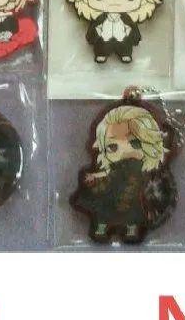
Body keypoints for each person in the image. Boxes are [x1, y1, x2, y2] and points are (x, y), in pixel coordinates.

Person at [70, 102, 174, 243]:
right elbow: (106, 172)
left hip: (135, 195)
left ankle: (132, 230)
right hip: (112, 191)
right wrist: (95, 176)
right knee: (104, 211)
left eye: (136, 143)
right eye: (113, 147)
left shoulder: (145, 170)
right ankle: (101, 228)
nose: (125, 151)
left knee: (133, 215)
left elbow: (155, 184)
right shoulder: (115, 166)